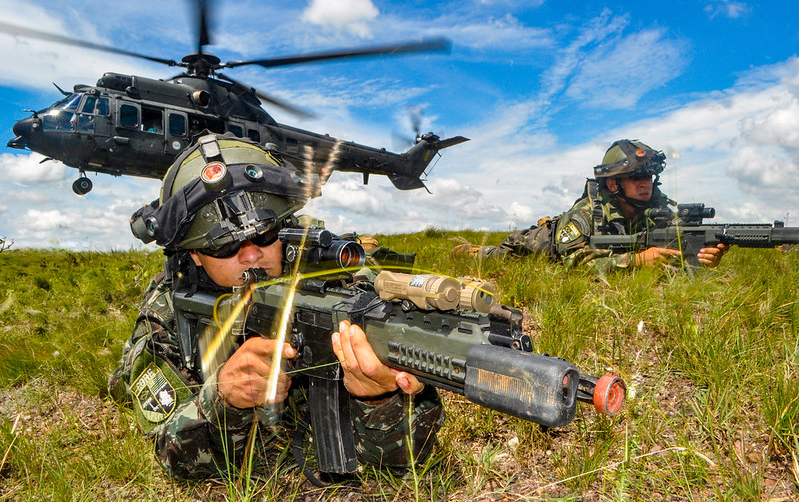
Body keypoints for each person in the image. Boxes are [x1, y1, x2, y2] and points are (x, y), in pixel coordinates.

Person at [109, 134, 443, 480]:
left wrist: (380, 398)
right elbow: (173, 456)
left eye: (267, 234)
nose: (252, 254)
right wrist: (224, 400)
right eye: (224, 245)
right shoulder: (170, 307)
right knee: (124, 380)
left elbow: (407, 456)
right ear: (194, 253)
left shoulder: (332, 275)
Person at [454, 139, 727, 274]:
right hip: (538, 247)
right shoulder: (585, 213)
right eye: (636, 177)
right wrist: (636, 261)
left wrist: (702, 255)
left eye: (649, 177)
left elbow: (675, 246)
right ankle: (470, 250)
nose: (646, 184)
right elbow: (574, 263)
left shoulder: (656, 208)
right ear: (613, 185)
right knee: (498, 258)